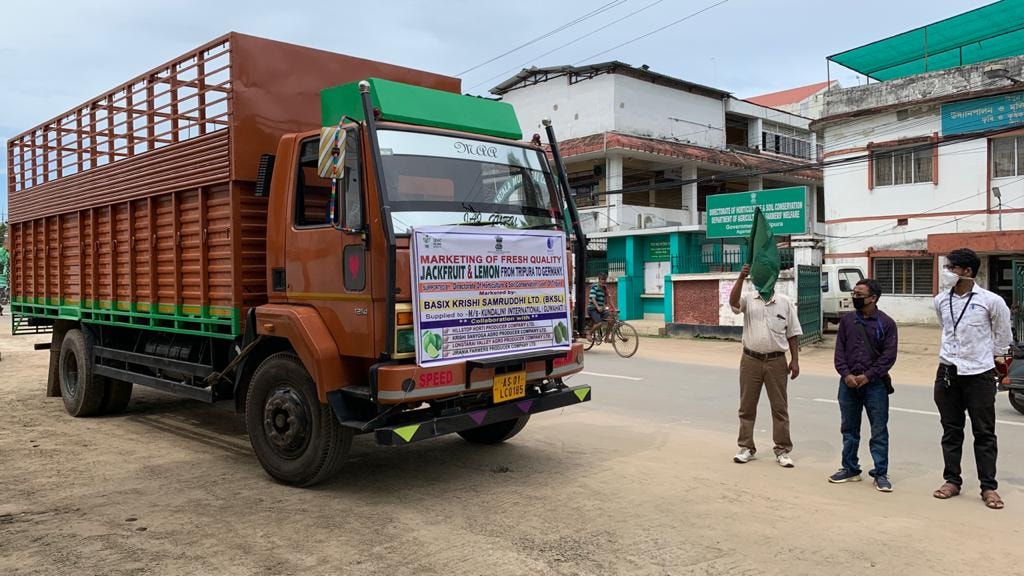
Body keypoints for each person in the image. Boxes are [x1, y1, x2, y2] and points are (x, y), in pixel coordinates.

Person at [932, 248, 1011, 510]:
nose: (946, 272)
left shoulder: (991, 301)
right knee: (951, 430)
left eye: (951, 267)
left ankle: (989, 487)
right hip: (947, 372)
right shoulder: (941, 300)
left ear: (967, 271)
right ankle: (952, 480)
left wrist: (996, 361)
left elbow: (1002, 337)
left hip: (979, 374)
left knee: (984, 432)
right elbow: (947, 327)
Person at [729, 263, 802, 467]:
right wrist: (741, 278)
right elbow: (733, 302)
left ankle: (782, 449)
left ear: (774, 279)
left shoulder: (784, 303)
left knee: (780, 408)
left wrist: (794, 360)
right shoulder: (748, 300)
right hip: (750, 360)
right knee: (747, 406)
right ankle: (746, 447)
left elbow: (793, 333)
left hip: (777, 361)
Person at [830, 278, 898, 491]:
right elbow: (839, 350)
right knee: (849, 428)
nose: (855, 297)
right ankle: (849, 467)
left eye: (859, 294)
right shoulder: (848, 321)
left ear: (873, 298)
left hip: (874, 385)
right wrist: (846, 374)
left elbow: (888, 356)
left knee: (878, 429)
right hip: (848, 383)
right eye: (854, 293)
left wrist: (868, 376)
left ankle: (880, 473)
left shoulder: (886, 323)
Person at [587, 273, 615, 343]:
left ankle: (606, 338)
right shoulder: (594, 287)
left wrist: (614, 308)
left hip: (601, 309)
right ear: (599, 280)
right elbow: (593, 298)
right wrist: (597, 307)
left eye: (604, 280)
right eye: (602, 279)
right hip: (592, 309)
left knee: (611, 320)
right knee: (599, 323)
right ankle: (589, 333)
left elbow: (609, 299)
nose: (603, 281)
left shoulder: (605, 288)